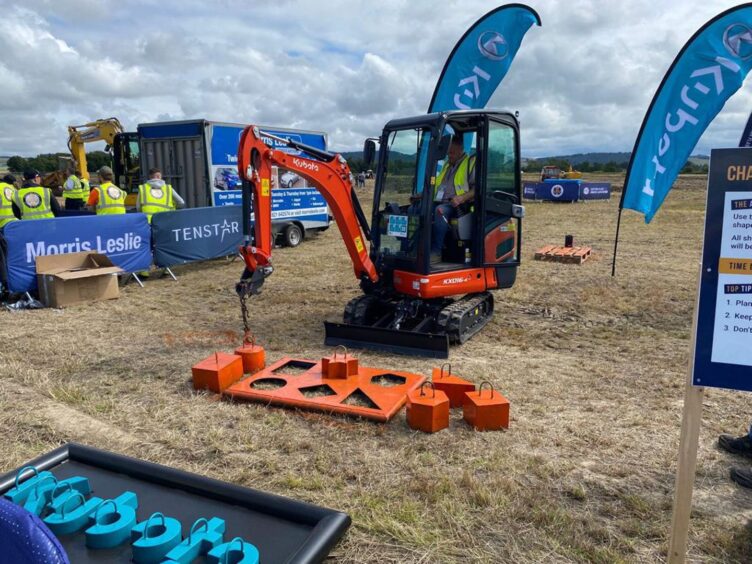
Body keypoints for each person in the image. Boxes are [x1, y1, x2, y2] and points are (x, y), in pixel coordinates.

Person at [431, 134, 475, 260]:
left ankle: (436, 251)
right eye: (448, 153)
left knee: (440, 211)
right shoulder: (447, 165)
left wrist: (462, 198)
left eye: (452, 153)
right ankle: (415, 249)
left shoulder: (469, 164)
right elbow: (437, 186)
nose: (449, 155)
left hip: (458, 205)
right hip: (439, 200)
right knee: (415, 209)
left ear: (461, 150)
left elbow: (477, 189)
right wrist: (422, 196)